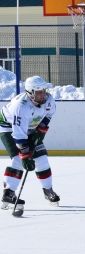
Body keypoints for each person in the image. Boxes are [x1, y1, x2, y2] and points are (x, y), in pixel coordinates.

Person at [1, 75, 60, 215]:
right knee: (18, 159)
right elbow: (19, 135)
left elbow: (49, 115)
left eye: (43, 90)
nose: (42, 94)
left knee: (42, 159)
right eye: (38, 92)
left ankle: (48, 190)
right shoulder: (20, 106)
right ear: (30, 93)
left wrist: (41, 130)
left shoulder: (49, 100)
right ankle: (8, 193)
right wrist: (26, 156)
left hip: (30, 128)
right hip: (9, 128)